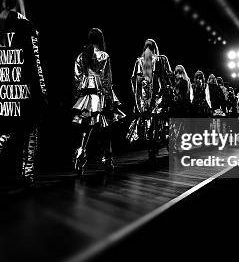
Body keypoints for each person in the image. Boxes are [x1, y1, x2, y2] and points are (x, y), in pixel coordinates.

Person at [0, 0, 47, 187]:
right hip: (23, 88)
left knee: (4, 128)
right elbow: (35, 61)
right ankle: (28, 173)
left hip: (1, 90)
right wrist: (42, 90)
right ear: (19, 5)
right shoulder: (26, 26)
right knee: (31, 129)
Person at [72, 28, 125, 175]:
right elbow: (107, 79)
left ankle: (79, 156)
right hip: (100, 96)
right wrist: (109, 98)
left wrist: (79, 96)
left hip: (86, 96)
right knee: (105, 130)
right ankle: (108, 161)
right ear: (100, 39)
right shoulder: (104, 56)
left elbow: (77, 79)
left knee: (85, 130)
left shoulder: (81, 56)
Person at [127, 39, 173, 163]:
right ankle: (165, 145)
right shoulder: (162, 59)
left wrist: (140, 99)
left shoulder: (139, 61)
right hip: (160, 96)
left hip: (145, 98)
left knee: (149, 122)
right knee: (161, 122)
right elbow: (169, 76)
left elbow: (135, 80)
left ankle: (152, 149)